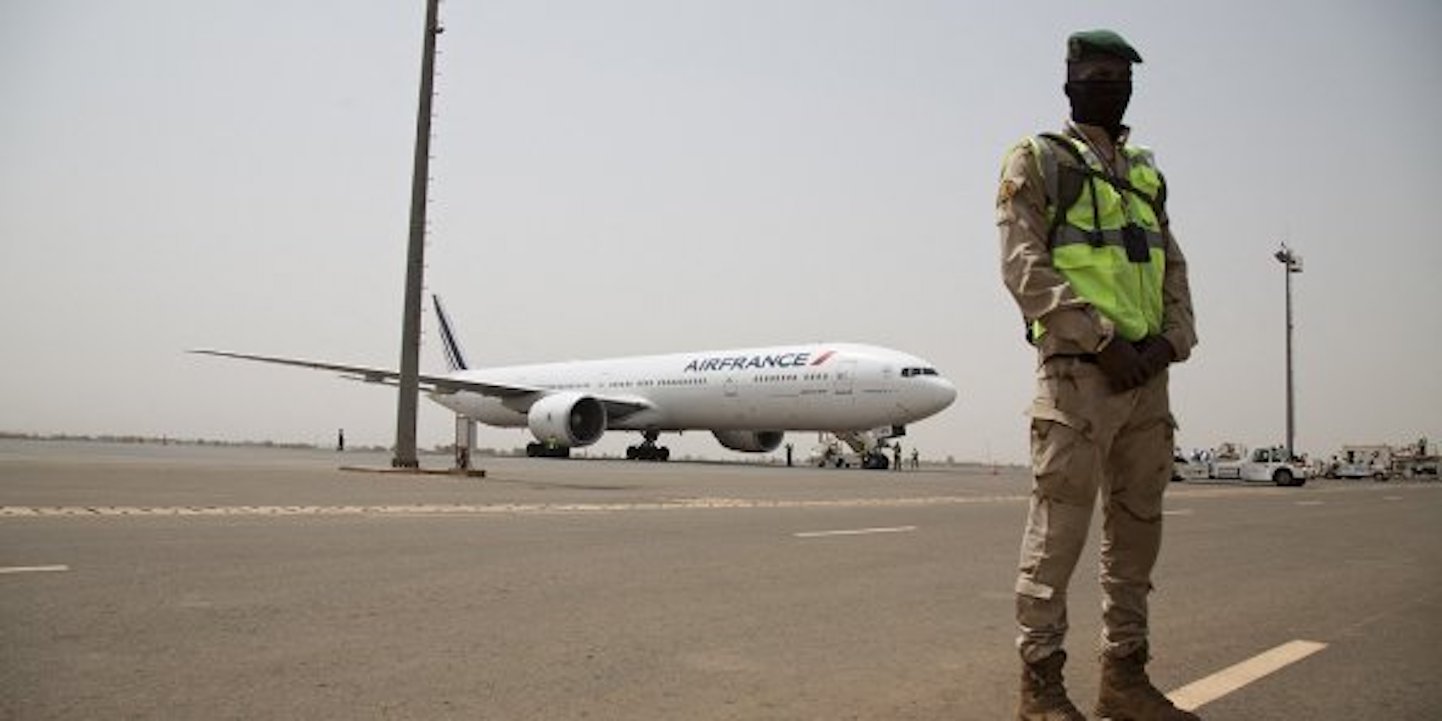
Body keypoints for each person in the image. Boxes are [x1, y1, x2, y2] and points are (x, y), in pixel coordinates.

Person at [996, 29, 1199, 721]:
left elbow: (1173, 269)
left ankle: (1126, 678)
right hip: (1080, 376)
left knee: (1136, 537)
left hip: (1147, 379)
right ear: (1069, 81)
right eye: (1096, 73)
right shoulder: (1038, 160)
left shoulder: (1145, 172)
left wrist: (1171, 343)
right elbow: (1024, 267)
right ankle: (1042, 689)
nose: (1110, 85)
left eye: (1120, 75)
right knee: (1056, 539)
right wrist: (1101, 339)